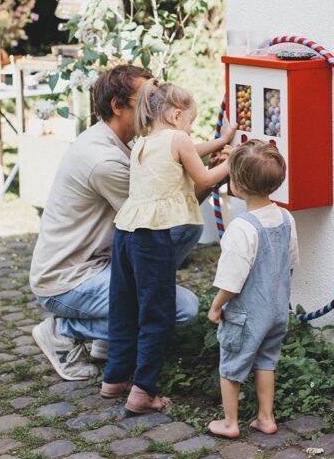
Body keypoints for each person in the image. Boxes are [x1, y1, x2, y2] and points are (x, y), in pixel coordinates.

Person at [30, 66, 218, 381]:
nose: (155, 106)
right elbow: (164, 216)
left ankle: (112, 337)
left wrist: (207, 163)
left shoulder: (126, 140)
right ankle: (64, 330)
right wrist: (212, 176)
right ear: (118, 107)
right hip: (67, 280)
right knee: (179, 308)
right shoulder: (104, 161)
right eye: (146, 99)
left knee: (177, 242)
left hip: (102, 262)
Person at [102, 80, 236, 413]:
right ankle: (143, 391)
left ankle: (115, 378)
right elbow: (204, 179)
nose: (190, 131)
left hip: (126, 231)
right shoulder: (178, 139)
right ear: (177, 115)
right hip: (151, 236)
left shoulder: (144, 141)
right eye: (190, 123)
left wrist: (220, 141)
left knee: (125, 306)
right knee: (156, 311)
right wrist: (236, 160)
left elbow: (190, 151)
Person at [206, 140, 298, 439]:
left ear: (238, 185)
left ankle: (230, 422)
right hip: (276, 310)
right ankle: (266, 417)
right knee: (266, 360)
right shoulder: (286, 218)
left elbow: (232, 280)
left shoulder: (242, 227)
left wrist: (216, 306)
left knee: (232, 362)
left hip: (245, 314)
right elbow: (291, 262)